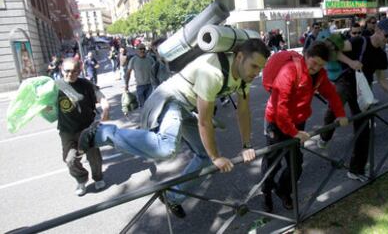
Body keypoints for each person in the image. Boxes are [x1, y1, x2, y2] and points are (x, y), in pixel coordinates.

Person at [78, 39, 271, 218]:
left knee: (204, 158)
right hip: (169, 98)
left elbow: (243, 112)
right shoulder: (213, 72)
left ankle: (172, 196)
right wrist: (216, 157)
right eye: (254, 66)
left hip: (186, 105)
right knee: (167, 148)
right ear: (239, 57)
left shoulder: (244, 76)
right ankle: (103, 132)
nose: (256, 72)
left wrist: (247, 145)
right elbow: (204, 121)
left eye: (260, 68)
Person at [261, 41, 348, 213]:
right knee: (273, 162)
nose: (316, 67)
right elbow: (280, 108)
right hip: (276, 122)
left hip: (298, 122)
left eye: (321, 65)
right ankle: (266, 193)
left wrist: (340, 114)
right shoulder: (289, 71)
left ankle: (283, 191)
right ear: (306, 55)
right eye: (314, 62)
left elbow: (331, 93)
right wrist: (293, 132)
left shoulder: (320, 75)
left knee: (296, 164)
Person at [317, 18, 388, 181]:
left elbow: (382, 80)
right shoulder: (359, 41)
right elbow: (334, 50)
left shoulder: (382, 55)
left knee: (363, 129)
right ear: (378, 31)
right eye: (387, 35)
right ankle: (325, 137)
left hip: (362, 91)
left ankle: (356, 170)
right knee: (334, 108)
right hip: (345, 83)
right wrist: (351, 62)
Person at [56, 58, 110, 196]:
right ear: (62, 70)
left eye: (75, 71)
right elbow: (44, 103)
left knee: (94, 157)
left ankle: (98, 177)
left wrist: (106, 107)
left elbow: (100, 96)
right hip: (67, 131)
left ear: (79, 71)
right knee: (70, 160)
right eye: (67, 71)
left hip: (87, 128)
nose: (71, 74)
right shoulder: (56, 86)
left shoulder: (85, 84)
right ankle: (81, 179)